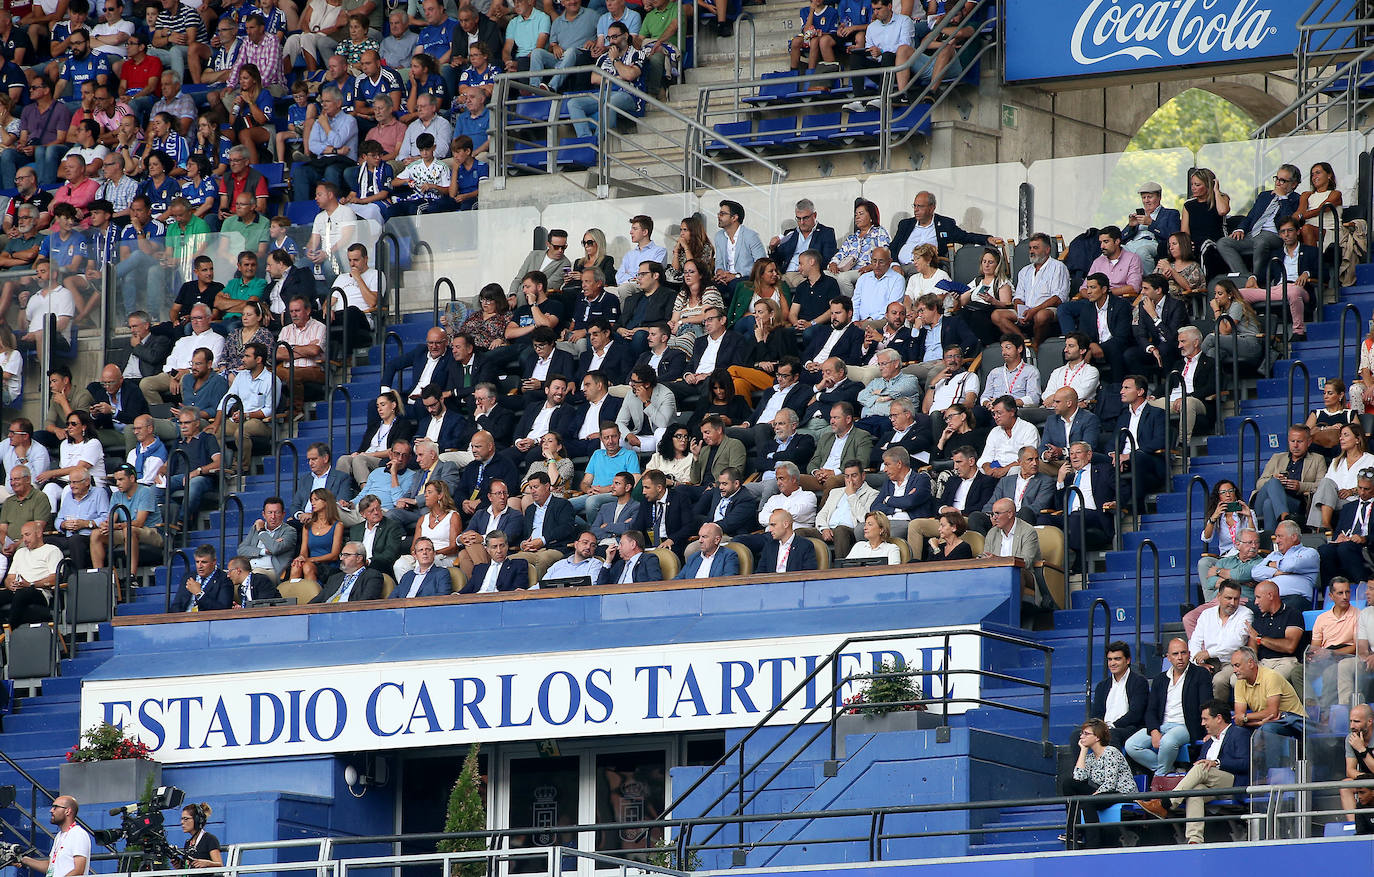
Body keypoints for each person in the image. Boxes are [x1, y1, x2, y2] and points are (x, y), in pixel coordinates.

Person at [1135, 701, 1251, 845]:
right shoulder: (1208, 742)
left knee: (1201, 767)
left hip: (1232, 783)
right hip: (1210, 785)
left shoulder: (1239, 733)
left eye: (1205, 719)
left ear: (1219, 718)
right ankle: (1194, 841)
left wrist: (1217, 762)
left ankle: (1166, 803)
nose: (1202, 724)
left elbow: (1245, 763)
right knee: (1195, 791)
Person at [1124, 637, 1213, 778]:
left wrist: (1209, 729)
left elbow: (1207, 705)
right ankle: (1168, 770)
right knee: (1131, 745)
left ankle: (1159, 778)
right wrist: (1153, 731)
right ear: (1168, 657)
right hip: (1163, 726)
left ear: (1189, 654)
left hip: (1185, 726)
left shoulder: (1200, 674)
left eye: (1183, 653)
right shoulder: (1160, 679)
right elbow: (1151, 710)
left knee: (1167, 741)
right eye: (1175, 654)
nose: (1180, 658)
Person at [1215, 163, 1300, 278]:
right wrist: (1240, 229)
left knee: (1261, 241)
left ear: (1293, 184)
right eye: (1277, 179)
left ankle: (1256, 277)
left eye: (1283, 180)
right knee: (1223, 242)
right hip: (1253, 234)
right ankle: (1245, 278)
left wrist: (1283, 198)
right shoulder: (1264, 195)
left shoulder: (1296, 199)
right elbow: (1250, 216)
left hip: (1275, 235)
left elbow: (1288, 221)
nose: (1278, 183)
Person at [1063, 718, 1136, 849]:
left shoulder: (1111, 752)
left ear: (1097, 737)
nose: (1081, 736)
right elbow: (1078, 778)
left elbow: (1110, 783)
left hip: (1122, 793)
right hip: (1103, 792)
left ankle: (1093, 845)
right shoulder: (1090, 757)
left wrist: (1092, 796)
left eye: (1086, 733)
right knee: (1069, 784)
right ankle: (1074, 833)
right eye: (1082, 733)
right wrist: (1083, 751)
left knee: (1087, 802)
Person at [1308, 423, 1374, 531]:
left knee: (1323, 498)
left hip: (1355, 500)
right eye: (1340, 435)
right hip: (1334, 500)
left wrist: (1352, 491)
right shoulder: (1336, 461)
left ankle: (1319, 529)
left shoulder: (1371, 460)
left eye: (1346, 435)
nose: (1341, 438)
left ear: (1357, 439)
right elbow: (1327, 486)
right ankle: (1325, 526)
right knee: (1325, 482)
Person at [1089, 640, 1148, 750]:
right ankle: (1083, 767)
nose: (1112, 663)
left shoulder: (1139, 682)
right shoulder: (1102, 686)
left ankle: (1115, 767)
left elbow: (1135, 714)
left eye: (1117, 659)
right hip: (1104, 728)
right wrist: (1097, 728)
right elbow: (1096, 713)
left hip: (1129, 728)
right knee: (1078, 736)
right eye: (1110, 659)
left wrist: (1112, 726)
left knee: (1111, 735)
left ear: (1128, 660)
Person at [1197, 479, 1257, 587]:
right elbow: (1206, 538)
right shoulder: (1217, 516)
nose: (1228, 495)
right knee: (1204, 563)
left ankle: (1233, 581)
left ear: (1235, 493)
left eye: (1230, 491)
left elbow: (1254, 537)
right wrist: (1214, 517)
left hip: (1242, 558)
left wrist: (1249, 517)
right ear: (1218, 496)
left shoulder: (1248, 512)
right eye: (1223, 492)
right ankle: (1209, 600)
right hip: (1225, 558)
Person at [1318, 473, 1374, 585]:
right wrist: (1338, 537)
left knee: (1345, 549)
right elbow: (1338, 531)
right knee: (1325, 550)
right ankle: (1330, 591)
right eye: (1360, 488)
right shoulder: (1348, 507)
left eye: (1367, 489)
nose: (1362, 492)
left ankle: (1362, 585)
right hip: (1347, 543)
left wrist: (1364, 539)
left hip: (1367, 546)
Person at [816, 460, 877, 558]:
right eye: (847, 476)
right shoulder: (835, 492)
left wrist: (851, 495)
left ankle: (841, 571)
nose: (850, 480)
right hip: (829, 530)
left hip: (850, 531)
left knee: (840, 530)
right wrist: (824, 528)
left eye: (854, 476)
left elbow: (864, 519)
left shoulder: (872, 494)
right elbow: (822, 513)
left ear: (863, 476)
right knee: (800, 532)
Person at [18, 795, 89, 877]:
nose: (51, 810)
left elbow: (79, 871)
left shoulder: (78, 834)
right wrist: (24, 860)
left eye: (55, 807)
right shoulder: (59, 836)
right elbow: (51, 867)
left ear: (67, 811)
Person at [461, 531, 530, 594]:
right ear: (487, 549)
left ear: (507, 546)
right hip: (477, 601)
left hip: (501, 602)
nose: (499, 551)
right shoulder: (479, 568)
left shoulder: (518, 564)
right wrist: (456, 595)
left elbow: (519, 589)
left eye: (502, 546)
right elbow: (467, 589)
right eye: (494, 547)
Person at [169, 544, 232, 612]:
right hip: (185, 619)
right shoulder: (188, 577)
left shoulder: (224, 579)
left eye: (204, 562)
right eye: (197, 562)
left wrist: (199, 594)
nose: (200, 566)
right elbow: (176, 605)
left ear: (214, 562)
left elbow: (224, 609)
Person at [1307, 379, 1358, 460]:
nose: (1325, 396)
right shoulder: (1316, 413)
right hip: (1318, 449)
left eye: (1330, 393)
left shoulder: (1349, 414)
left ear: (1341, 395)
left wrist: (1343, 429)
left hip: (1340, 450)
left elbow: (1357, 434)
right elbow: (1305, 434)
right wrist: (1326, 428)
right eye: (1324, 393)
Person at [760, 508, 818, 573]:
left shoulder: (805, 545)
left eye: (773, 525)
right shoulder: (769, 546)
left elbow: (808, 575)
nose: (770, 530)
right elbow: (760, 573)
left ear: (785, 524)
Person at [540, 530, 605, 586]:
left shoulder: (595, 564)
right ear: (576, 544)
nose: (588, 547)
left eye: (593, 545)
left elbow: (592, 587)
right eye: (585, 542)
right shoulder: (559, 564)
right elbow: (541, 585)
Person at [179, 803, 222, 869]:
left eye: (186, 819)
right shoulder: (188, 843)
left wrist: (207, 863)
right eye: (182, 819)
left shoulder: (210, 839)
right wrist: (179, 866)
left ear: (197, 820)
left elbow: (220, 865)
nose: (182, 822)